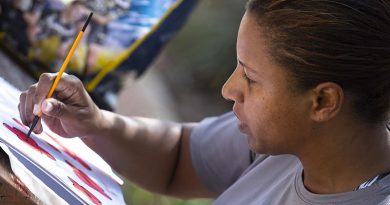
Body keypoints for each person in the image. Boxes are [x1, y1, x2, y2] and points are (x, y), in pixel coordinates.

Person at [18, 0, 390, 204]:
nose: (229, 89)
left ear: (323, 102)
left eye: (250, 77)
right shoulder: (289, 143)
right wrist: (95, 124)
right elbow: (179, 158)